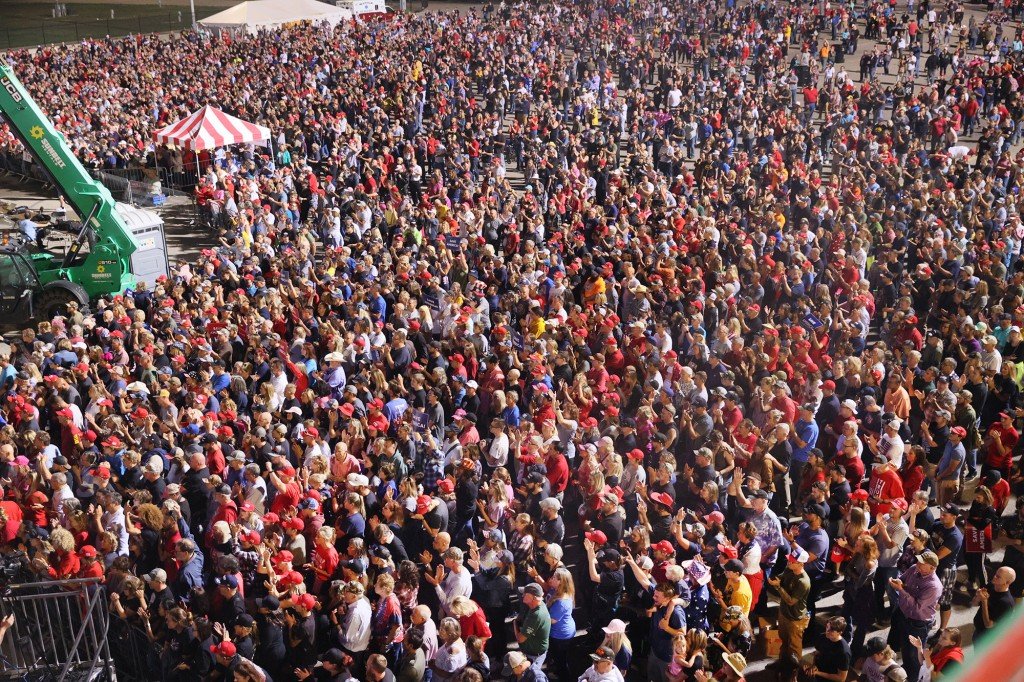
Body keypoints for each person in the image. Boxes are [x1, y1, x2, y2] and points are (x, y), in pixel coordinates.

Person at [887, 551, 942, 682]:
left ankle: (912, 678)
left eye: (922, 563)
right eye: (918, 560)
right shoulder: (914, 569)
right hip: (902, 613)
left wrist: (900, 589)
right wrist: (897, 581)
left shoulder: (934, 586)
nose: (918, 563)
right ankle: (903, 673)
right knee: (902, 648)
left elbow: (917, 606)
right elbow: (903, 579)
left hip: (918, 623)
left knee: (913, 656)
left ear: (932, 568)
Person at [768, 546, 811, 662]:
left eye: (792, 561)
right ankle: (782, 664)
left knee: (794, 648)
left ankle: (793, 674)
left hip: (794, 618)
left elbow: (791, 601)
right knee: (783, 641)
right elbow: (781, 576)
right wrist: (774, 579)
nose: (789, 562)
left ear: (800, 564)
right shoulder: (789, 569)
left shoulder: (803, 582)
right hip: (783, 613)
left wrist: (777, 586)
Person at [972, 566, 1018, 639]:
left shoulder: (1006, 603)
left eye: (998, 577)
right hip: (978, 630)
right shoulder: (991, 585)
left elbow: (988, 625)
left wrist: (984, 602)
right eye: (995, 574)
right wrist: (978, 596)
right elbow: (974, 604)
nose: (994, 577)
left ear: (1007, 582)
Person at [802, 617, 851, 682]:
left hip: (829, 678)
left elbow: (841, 678)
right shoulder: (822, 637)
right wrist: (814, 666)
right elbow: (817, 654)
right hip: (818, 670)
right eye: (827, 627)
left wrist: (818, 673)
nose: (827, 631)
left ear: (839, 633)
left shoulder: (844, 652)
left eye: (832, 630)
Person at [514, 583, 550, 667]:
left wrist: (514, 624)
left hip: (533, 656)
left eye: (525, 594)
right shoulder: (538, 605)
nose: (522, 595)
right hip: (535, 652)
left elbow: (520, 639)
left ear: (533, 597)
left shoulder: (536, 615)